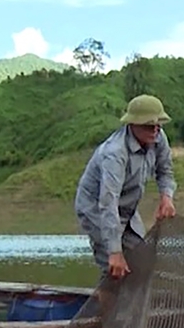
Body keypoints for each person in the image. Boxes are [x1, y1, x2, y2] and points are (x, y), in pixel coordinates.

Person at [74, 94, 178, 280]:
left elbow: (165, 171)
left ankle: (134, 307)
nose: (155, 130)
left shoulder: (158, 137)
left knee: (142, 262)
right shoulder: (114, 154)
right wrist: (114, 251)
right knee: (114, 270)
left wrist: (166, 196)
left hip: (127, 209)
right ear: (133, 124)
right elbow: (107, 202)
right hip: (97, 209)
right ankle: (104, 307)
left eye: (158, 125)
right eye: (148, 125)